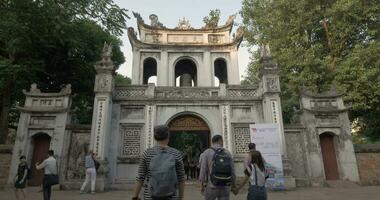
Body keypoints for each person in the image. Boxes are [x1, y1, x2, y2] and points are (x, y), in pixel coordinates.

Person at [132, 125, 185, 200]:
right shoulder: (176, 153)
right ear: (168, 136)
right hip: (171, 197)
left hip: (150, 196)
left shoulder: (147, 153)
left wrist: (135, 196)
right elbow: (181, 179)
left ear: (155, 137)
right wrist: (180, 198)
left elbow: (140, 177)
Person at [199, 135, 235, 200]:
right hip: (225, 185)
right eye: (222, 141)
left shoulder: (207, 152)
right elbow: (232, 171)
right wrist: (233, 184)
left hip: (212, 185)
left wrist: (202, 185)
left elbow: (203, 170)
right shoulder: (227, 153)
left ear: (212, 142)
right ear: (220, 141)